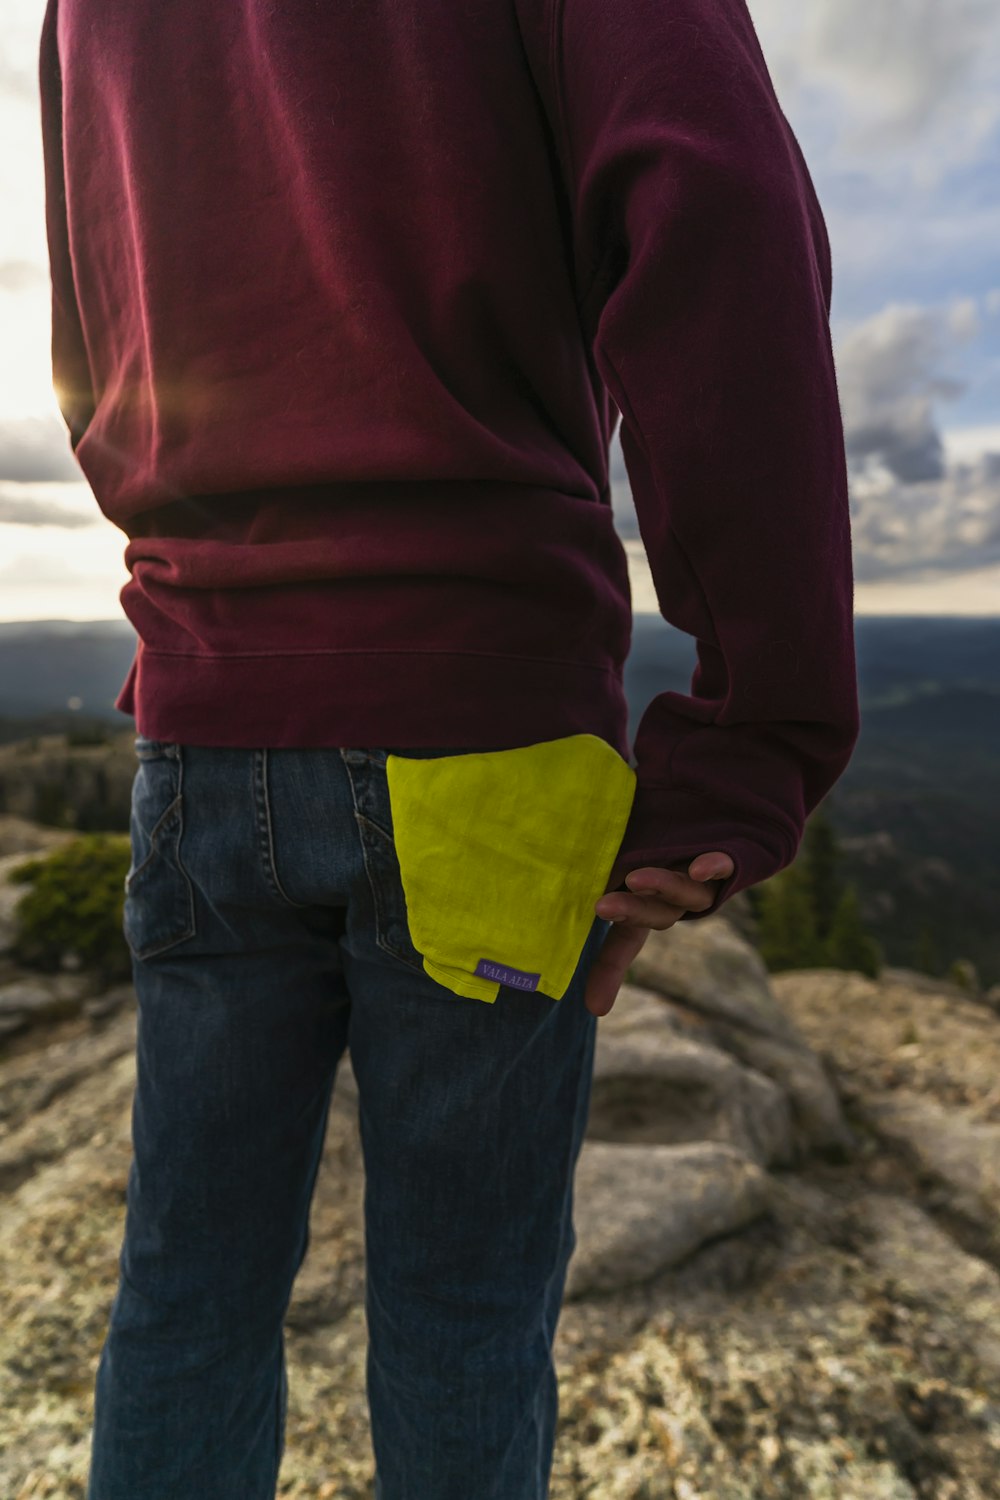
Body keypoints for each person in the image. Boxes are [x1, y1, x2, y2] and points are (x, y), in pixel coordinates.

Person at [38, 0, 860, 1493]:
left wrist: (203, 573)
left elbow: (95, 333)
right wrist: (758, 731)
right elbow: (715, 198)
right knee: (466, 1320)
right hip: (486, 729)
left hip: (204, 727)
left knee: (183, 1300)